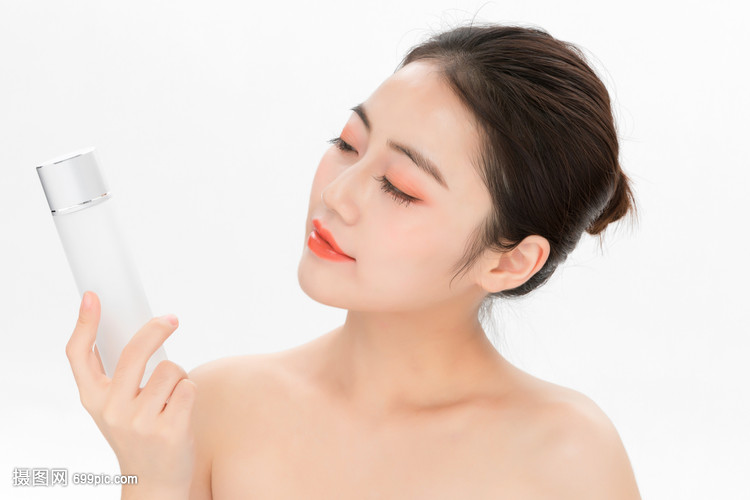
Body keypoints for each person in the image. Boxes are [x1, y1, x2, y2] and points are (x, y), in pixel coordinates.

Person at [66, 23, 641, 499]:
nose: (337, 192)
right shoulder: (213, 407)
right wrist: (152, 479)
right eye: (347, 145)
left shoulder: (567, 456)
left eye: (399, 187)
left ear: (511, 261)